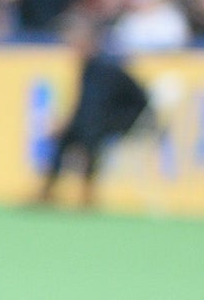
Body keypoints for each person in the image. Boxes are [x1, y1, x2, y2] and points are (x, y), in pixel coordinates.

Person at [38, 20, 150, 208]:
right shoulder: (91, 67)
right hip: (100, 120)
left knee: (89, 136)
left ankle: (87, 194)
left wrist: (121, 120)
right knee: (67, 137)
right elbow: (86, 107)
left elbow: (98, 107)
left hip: (117, 121)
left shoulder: (105, 68)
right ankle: (50, 190)